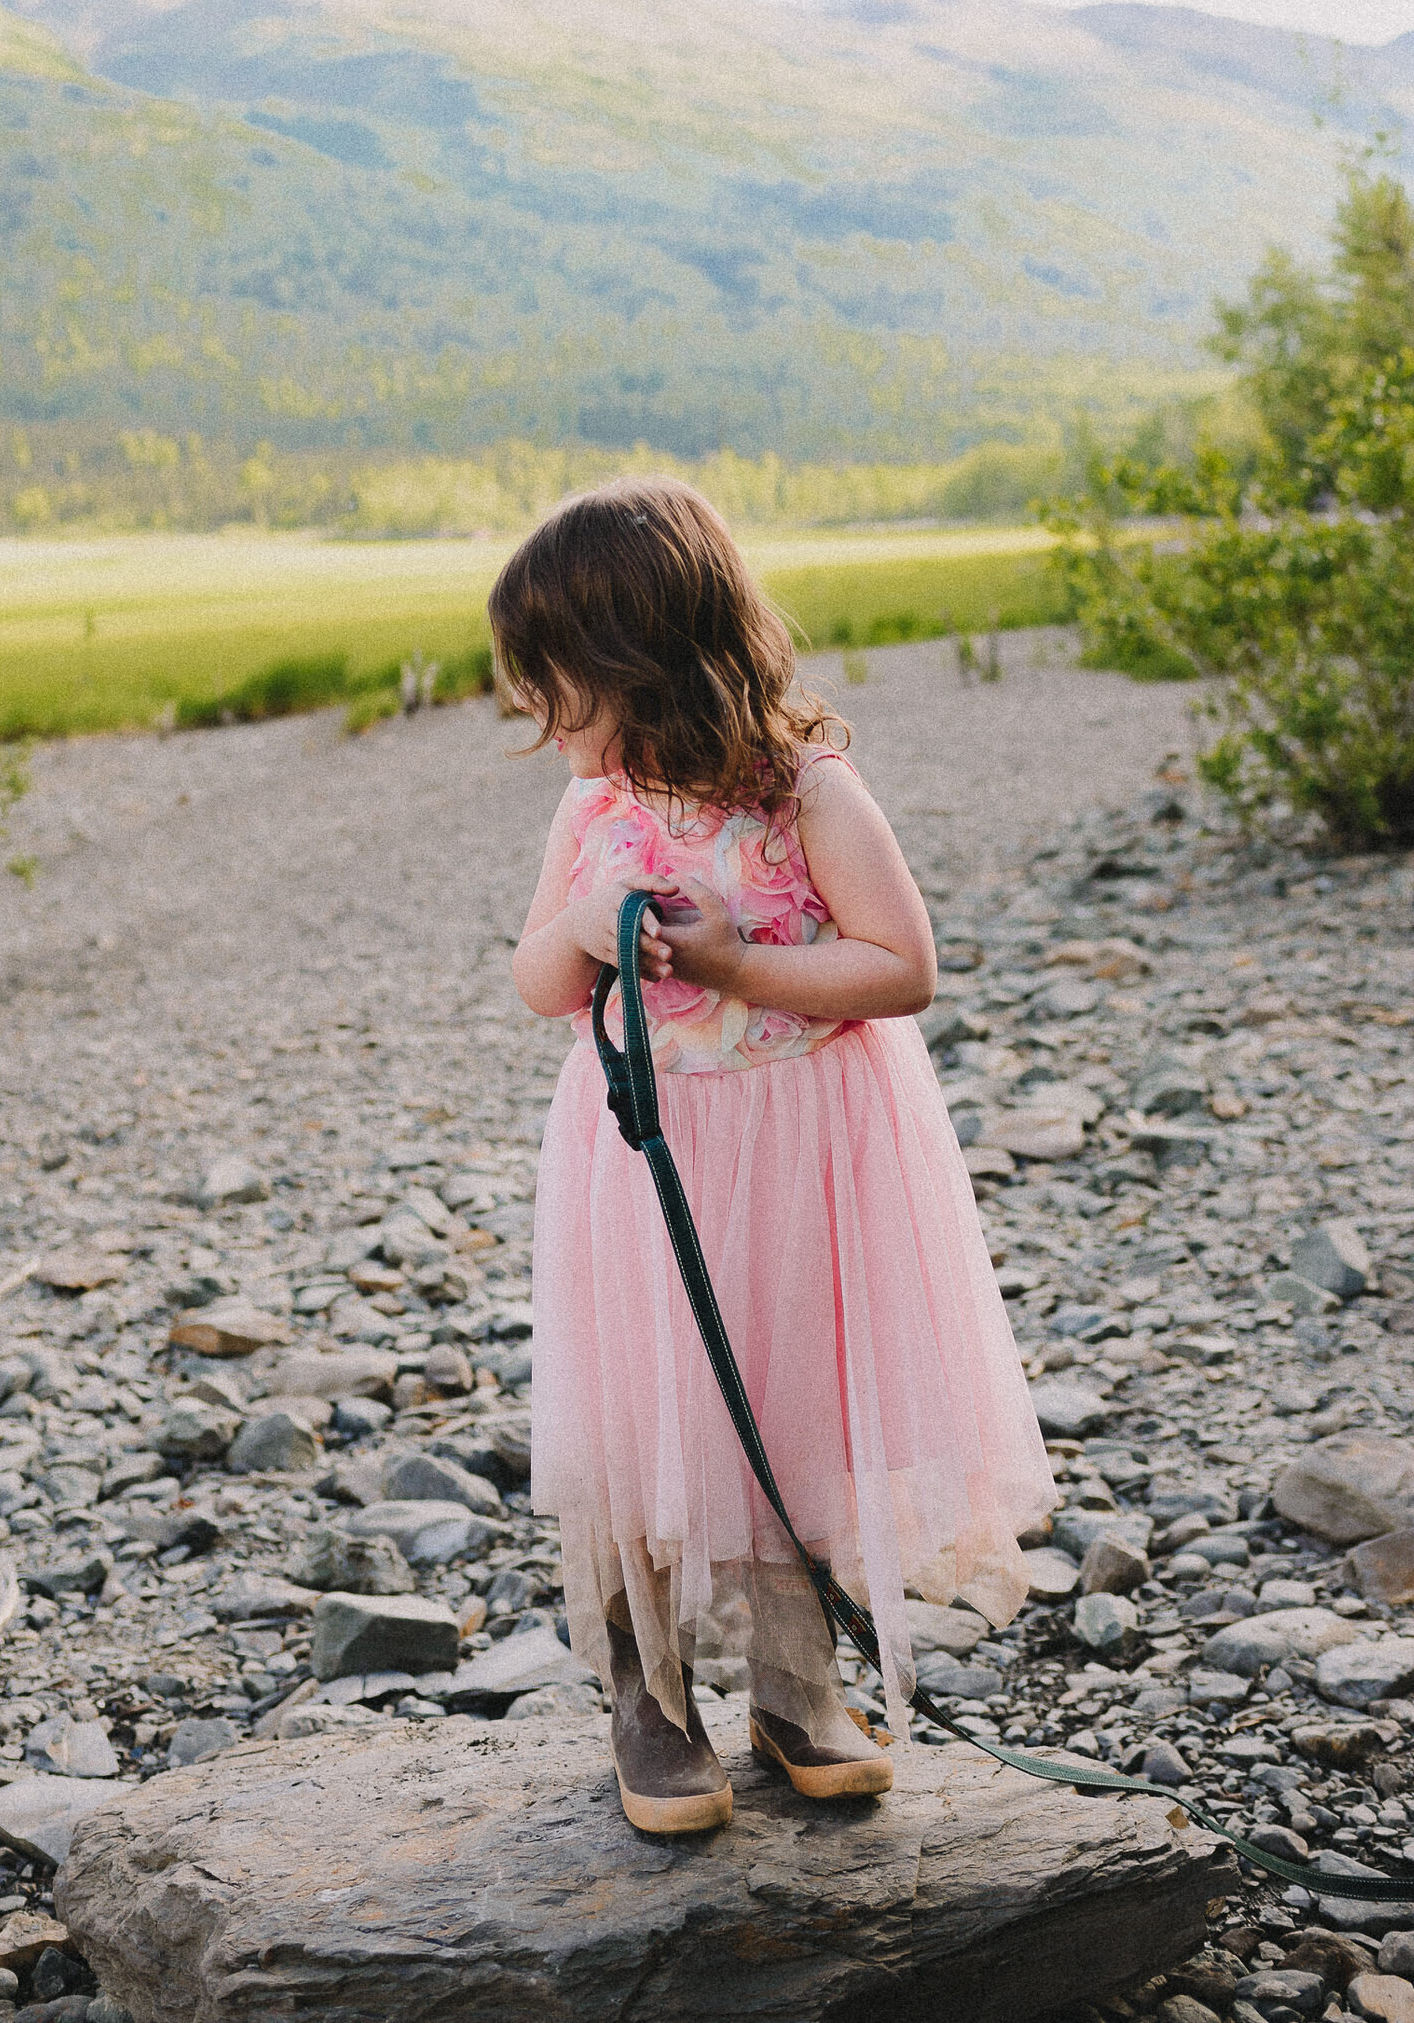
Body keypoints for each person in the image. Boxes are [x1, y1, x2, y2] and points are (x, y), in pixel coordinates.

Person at [489, 478, 1054, 1836]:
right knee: (643, 1414)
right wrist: (584, 918)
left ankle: (798, 1691)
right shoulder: (598, 810)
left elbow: (899, 965)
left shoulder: (805, 787)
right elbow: (534, 984)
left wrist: (739, 959)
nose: (532, 711)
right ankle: (650, 1693)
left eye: (550, 681)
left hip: (804, 1145)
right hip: (648, 1148)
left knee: (785, 1402)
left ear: (633, 661)